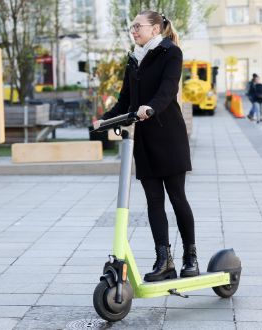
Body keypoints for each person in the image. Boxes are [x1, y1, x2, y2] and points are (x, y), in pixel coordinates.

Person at [93, 10, 197, 282]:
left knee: (177, 198)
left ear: (155, 29)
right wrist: (102, 120)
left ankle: (190, 257)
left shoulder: (170, 52)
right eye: (132, 27)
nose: (134, 30)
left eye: (138, 26)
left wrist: (151, 107)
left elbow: (168, 89)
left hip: (169, 135)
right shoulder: (133, 59)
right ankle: (164, 261)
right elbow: (125, 100)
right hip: (145, 141)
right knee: (153, 202)